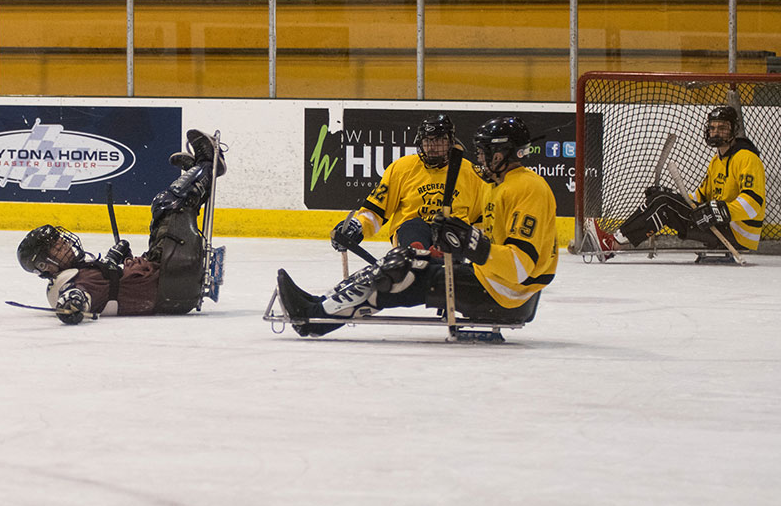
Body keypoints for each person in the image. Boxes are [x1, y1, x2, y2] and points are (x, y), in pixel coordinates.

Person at [277, 116, 558, 337]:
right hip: (497, 283)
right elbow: (376, 211)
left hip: (506, 294)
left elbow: (521, 266)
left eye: (485, 151)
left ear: (501, 154)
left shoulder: (525, 188)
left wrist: (470, 242)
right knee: (406, 263)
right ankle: (319, 304)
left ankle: (314, 317)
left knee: (403, 272)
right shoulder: (502, 185)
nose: (480, 157)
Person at [16, 129, 226, 324]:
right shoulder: (67, 284)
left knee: (160, 211)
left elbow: (104, 284)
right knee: (168, 205)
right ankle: (208, 164)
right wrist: (72, 305)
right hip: (168, 285)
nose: (64, 243)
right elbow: (79, 295)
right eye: (56, 246)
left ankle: (199, 174)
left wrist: (113, 259)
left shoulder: (74, 272)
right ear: (45, 265)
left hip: (162, 278)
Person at [585, 105, 766, 256]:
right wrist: (672, 195)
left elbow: (753, 204)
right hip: (719, 224)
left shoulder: (747, 158)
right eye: (713, 128)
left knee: (663, 204)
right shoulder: (717, 160)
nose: (716, 132)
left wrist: (718, 212)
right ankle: (613, 241)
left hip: (736, 234)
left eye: (722, 128)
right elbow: (699, 196)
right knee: (661, 199)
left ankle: (612, 245)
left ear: (733, 129)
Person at [330, 114, 485, 256]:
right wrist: (357, 226)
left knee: (452, 229)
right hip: (411, 234)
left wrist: (478, 250)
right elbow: (376, 210)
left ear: (450, 141)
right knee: (413, 225)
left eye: (438, 140)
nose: (432, 147)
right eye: (427, 141)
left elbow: (482, 220)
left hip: (454, 239)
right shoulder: (401, 168)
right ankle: (417, 253)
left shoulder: (471, 173)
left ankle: (438, 254)